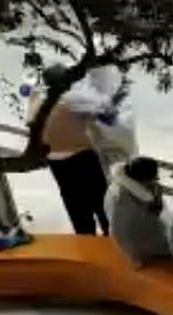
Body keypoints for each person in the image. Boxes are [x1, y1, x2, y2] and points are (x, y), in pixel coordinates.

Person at [29, 64, 112, 235]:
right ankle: (113, 244)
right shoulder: (74, 99)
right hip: (82, 157)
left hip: (55, 162)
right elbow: (108, 117)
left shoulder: (36, 99)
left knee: (76, 207)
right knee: (102, 204)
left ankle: (87, 248)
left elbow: (31, 122)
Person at [103, 156, 170, 267]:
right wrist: (157, 200)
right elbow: (142, 224)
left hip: (120, 237)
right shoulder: (128, 199)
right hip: (137, 242)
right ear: (145, 179)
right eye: (154, 177)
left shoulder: (116, 186)